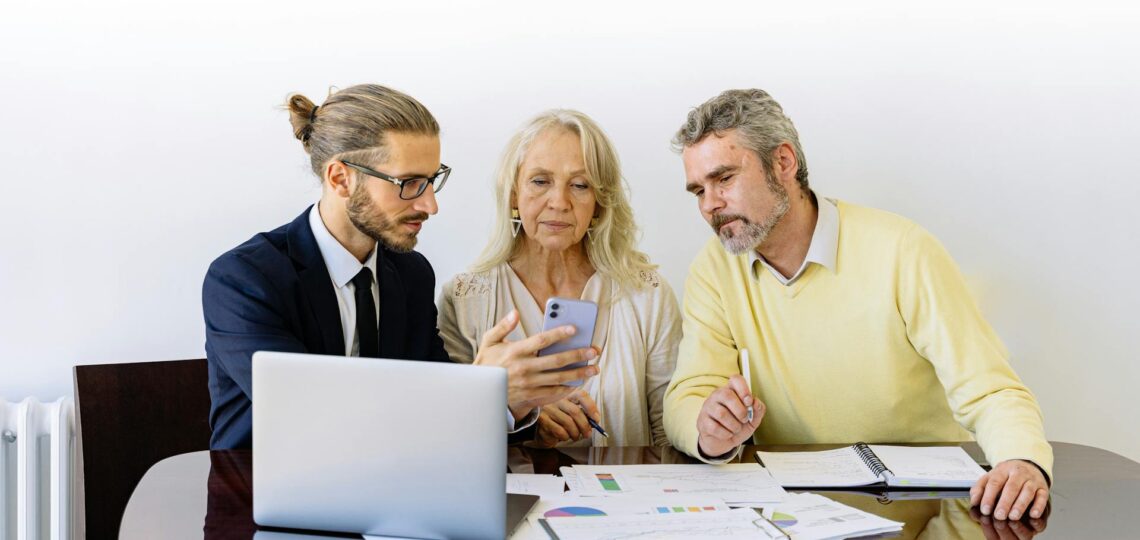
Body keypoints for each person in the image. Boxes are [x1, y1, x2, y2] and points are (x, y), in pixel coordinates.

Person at [663, 89, 1053, 522]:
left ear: (783, 163)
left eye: (724, 179)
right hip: (791, 515)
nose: (710, 205)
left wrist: (1022, 460)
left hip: (924, 510)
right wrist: (708, 427)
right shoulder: (714, 269)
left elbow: (990, 388)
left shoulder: (903, 250)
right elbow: (688, 394)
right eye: (698, 190)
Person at [202, 84, 595, 449]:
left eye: (431, 180)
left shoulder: (410, 275)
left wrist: (513, 401)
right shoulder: (244, 281)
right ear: (341, 178)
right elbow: (314, 423)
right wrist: (481, 389)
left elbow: (440, 423)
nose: (429, 205)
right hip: (260, 504)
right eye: (408, 183)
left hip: (393, 500)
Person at [438, 110, 680, 447]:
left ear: (598, 202)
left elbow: (669, 432)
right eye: (540, 181)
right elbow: (451, 435)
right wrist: (519, 409)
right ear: (513, 194)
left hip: (626, 495)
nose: (559, 202)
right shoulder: (465, 299)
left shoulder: (646, 295)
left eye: (580, 185)